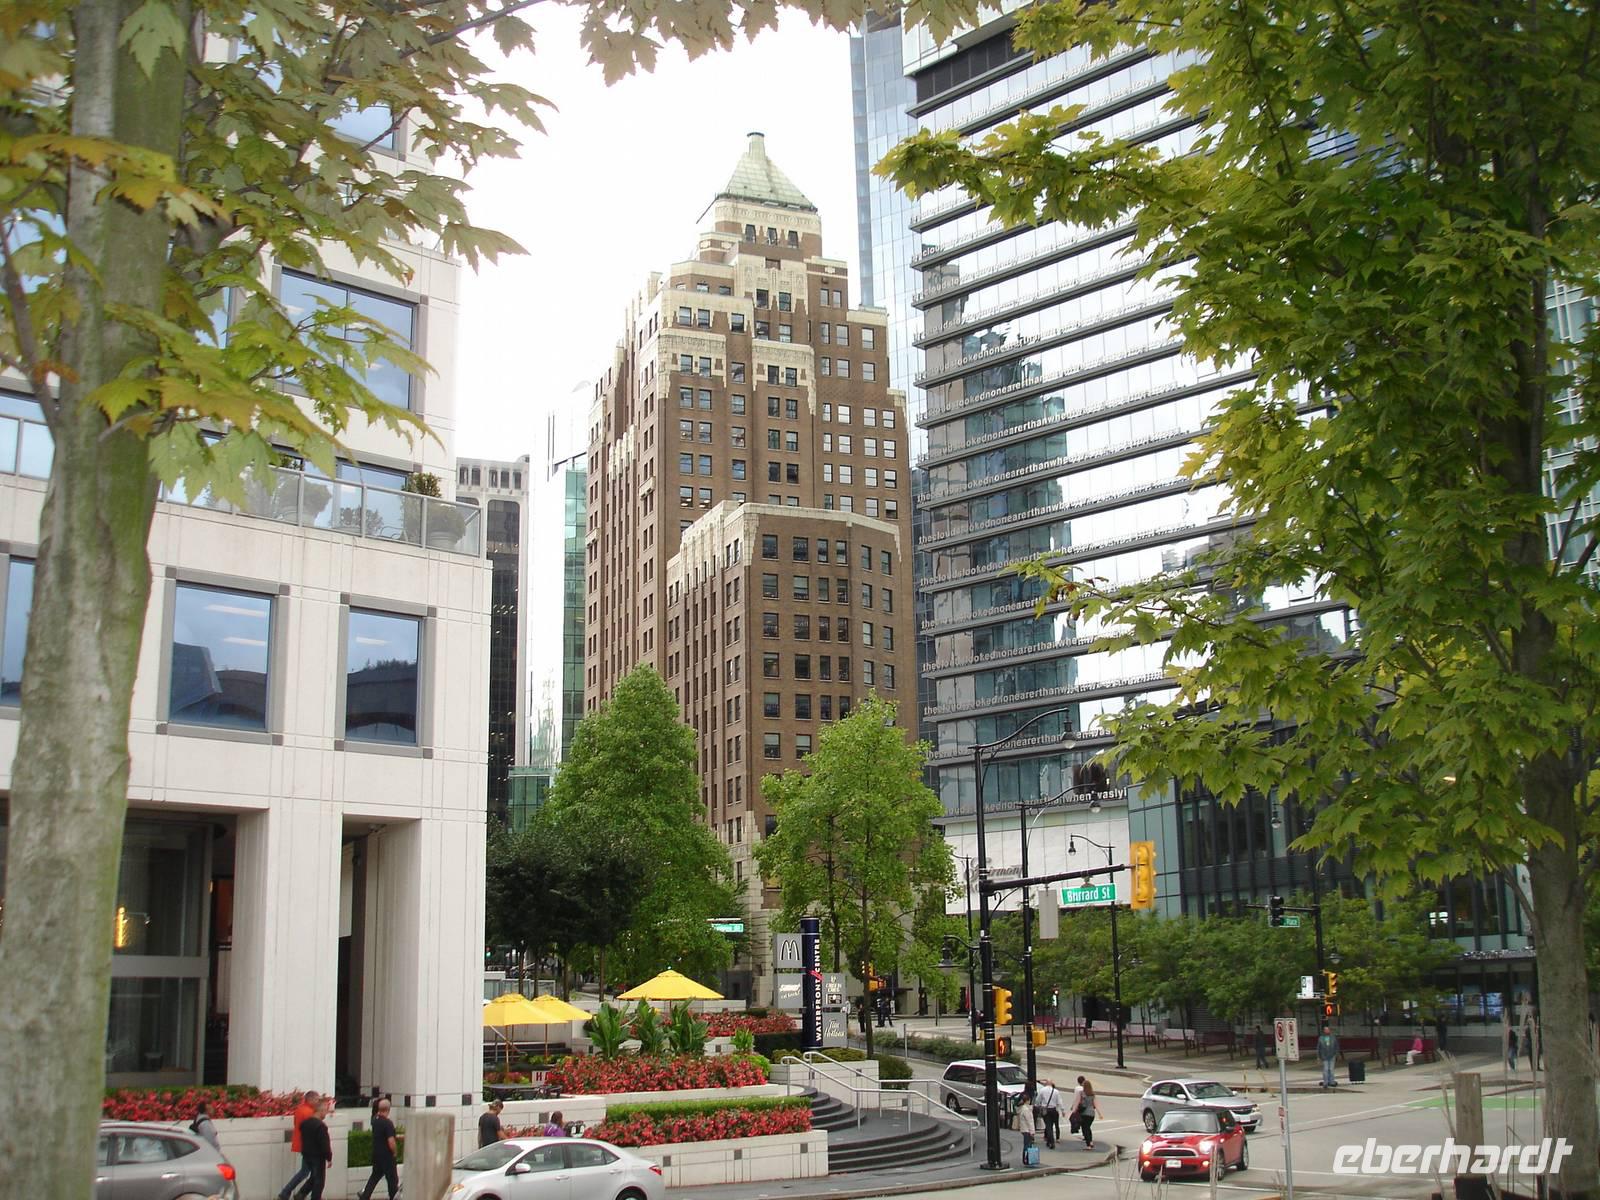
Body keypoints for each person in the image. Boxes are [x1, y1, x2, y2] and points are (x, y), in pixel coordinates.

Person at [278, 1091, 320, 1200]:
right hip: (307, 1146)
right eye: (316, 1099)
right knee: (308, 1172)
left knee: (306, 1172)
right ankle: (289, 1193)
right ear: (310, 1099)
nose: (318, 1102)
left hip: (302, 1144)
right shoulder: (308, 1112)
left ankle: (289, 1193)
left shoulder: (300, 1110)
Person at [358, 1098, 399, 1200]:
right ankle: (393, 1197)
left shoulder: (375, 1120)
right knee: (392, 1179)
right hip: (387, 1156)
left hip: (377, 1154)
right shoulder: (387, 1123)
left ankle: (365, 1196)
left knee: (375, 1176)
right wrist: (394, 1152)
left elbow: (383, 1136)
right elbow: (391, 1141)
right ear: (388, 1109)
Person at [297, 1098, 333, 1200]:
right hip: (318, 1156)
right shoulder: (321, 1126)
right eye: (325, 1111)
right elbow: (325, 1144)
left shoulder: (305, 1123)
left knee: (313, 1177)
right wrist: (329, 1158)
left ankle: (301, 1194)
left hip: (306, 1154)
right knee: (319, 1181)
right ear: (320, 1111)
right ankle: (315, 1197)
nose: (326, 1113)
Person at [1073, 1076, 1102, 1150]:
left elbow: (1077, 1102)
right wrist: (1100, 1114)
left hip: (1084, 1113)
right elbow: (1096, 1105)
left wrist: (1074, 1111)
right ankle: (1091, 1142)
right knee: (1088, 1127)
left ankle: (1088, 1144)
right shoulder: (1092, 1094)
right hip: (1091, 1113)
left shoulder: (1081, 1093)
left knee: (1085, 1128)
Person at [1034, 1078, 1062, 1150]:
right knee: (1051, 1124)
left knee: (1048, 1125)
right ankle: (1050, 1140)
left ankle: (1051, 1141)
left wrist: (1037, 1105)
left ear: (1046, 1083)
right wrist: (1062, 1110)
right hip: (1053, 1109)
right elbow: (1059, 1102)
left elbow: (1037, 1100)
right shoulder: (1056, 1091)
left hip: (1045, 1109)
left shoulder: (1042, 1090)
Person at [1015, 1089, 1037, 1163]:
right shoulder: (1026, 1110)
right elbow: (1029, 1121)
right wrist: (1032, 1131)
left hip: (1024, 1129)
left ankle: (1027, 1158)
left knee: (1027, 1144)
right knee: (1027, 1145)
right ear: (1027, 1100)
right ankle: (1026, 1159)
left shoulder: (1023, 1108)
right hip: (1027, 1130)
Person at [1317, 1024, 1339, 1088]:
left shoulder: (1333, 1037)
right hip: (1324, 1056)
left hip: (1332, 1055)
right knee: (1326, 1069)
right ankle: (1325, 1082)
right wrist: (1318, 1056)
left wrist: (1336, 1054)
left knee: (1331, 1069)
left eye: (1328, 1029)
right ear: (1324, 1031)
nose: (1327, 1031)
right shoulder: (1321, 1038)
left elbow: (1336, 1046)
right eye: (1325, 1030)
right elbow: (1318, 1047)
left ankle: (1331, 1081)